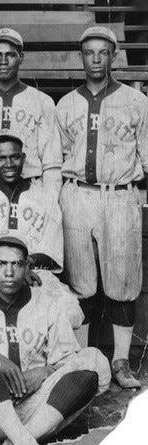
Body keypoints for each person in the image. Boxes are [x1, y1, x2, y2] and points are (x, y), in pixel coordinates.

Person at [0, 236, 110, 445]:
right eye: (1, 264)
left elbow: (69, 358)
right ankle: (23, 441)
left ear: (27, 267)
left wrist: (44, 372)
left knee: (94, 359)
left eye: (16, 264)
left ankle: (19, 441)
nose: (9, 272)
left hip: (37, 413)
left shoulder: (46, 303)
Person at [55, 26, 148, 388]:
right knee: (81, 281)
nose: (95, 59)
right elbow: (60, 154)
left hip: (119, 193)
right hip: (77, 192)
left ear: (113, 55)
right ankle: (83, 361)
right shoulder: (66, 104)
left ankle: (121, 361)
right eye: (89, 53)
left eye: (102, 52)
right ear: (82, 57)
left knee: (122, 280)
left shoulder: (137, 101)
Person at [0, 131, 83, 329]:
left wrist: (24, 267)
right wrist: (11, 267)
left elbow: (51, 247)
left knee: (70, 311)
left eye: (14, 157)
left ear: (23, 158)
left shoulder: (44, 195)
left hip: (35, 272)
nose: (8, 163)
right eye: (1, 158)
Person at [0, 28, 62, 195]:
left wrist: (49, 201)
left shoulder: (42, 101)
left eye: (10, 55)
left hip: (30, 188)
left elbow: (51, 163)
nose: (3, 61)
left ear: (21, 58)